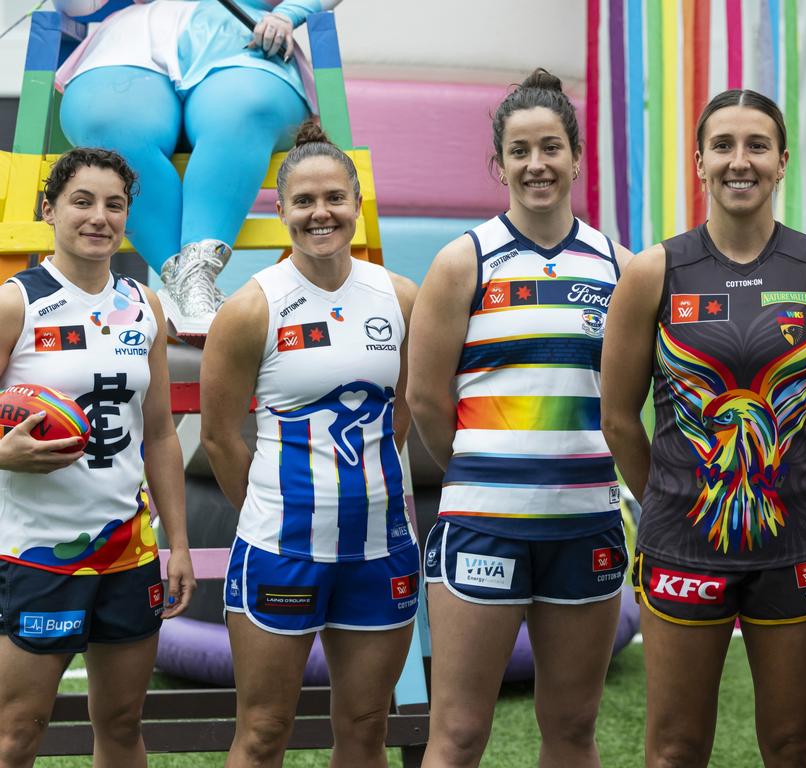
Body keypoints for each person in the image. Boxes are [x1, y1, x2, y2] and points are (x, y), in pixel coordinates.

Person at [601, 89, 806, 767]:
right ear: (701, 163)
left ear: (782, 162)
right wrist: (670, 498)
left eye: (757, 146)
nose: (741, 161)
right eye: (724, 146)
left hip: (795, 542)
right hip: (682, 544)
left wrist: (795, 477)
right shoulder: (653, 271)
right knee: (676, 749)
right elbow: (619, 418)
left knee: (796, 748)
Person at [408, 68, 633, 768]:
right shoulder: (462, 262)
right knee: (460, 734)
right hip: (483, 526)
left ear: (574, 155)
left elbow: (625, 401)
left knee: (571, 728)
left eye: (551, 148)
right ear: (497, 164)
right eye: (520, 151)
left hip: (587, 526)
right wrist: (484, 473)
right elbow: (423, 397)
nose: (537, 165)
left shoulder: (621, 266)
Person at [200, 121, 419, 768]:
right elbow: (217, 438)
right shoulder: (249, 309)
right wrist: (276, 511)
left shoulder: (400, 297)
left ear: (356, 204)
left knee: (364, 729)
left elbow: (402, 417)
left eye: (334, 199)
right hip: (280, 550)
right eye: (303, 201)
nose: (320, 213)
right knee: (264, 731)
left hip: (381, 552)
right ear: (280, 209)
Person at [0, 147, 195, 767]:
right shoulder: (17, 303)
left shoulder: (144, 303)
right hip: (36, 551)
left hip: (128, 550)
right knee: (17, 731)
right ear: (49, 209)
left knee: (120, 722)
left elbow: (160, 433)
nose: (99, 217)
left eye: (114, 204)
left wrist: (179, 545)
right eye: (82, 201)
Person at [53, 0, 343, 344]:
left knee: (244, 108)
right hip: (132, 42)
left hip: (245, 35)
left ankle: (194, 277)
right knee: (108, 119)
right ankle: (187, 283)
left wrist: (291, 11)